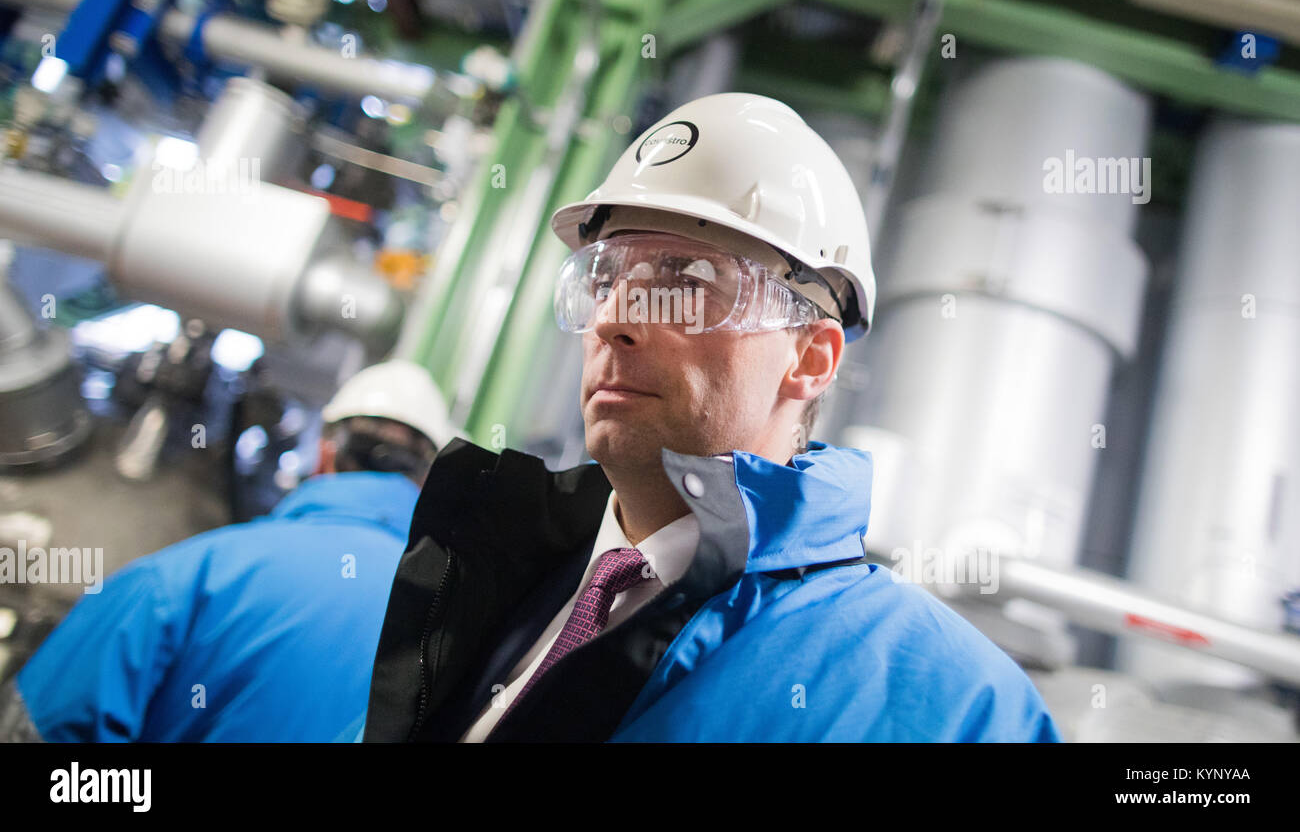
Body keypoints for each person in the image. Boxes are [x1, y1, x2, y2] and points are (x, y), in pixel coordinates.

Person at [360, 93, 1062, 743]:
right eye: (603, 280)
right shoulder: (485, 581)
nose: (612, 319)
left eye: (686, 283)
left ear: (811, 357)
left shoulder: (950, 705)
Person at [0, 359, 456, 742]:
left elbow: (40, 731)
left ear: (324, 453)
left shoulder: (193, 573)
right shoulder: (457, 629)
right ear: (429, 480)